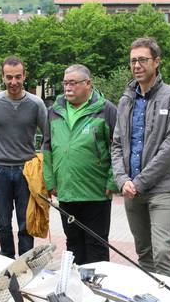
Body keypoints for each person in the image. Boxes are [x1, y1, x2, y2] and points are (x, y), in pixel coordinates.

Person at [111, 37, 170, 277]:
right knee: (144, 253)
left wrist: (140, 182)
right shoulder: (126, 100)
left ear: (157, 62)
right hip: (131, 190)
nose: (137, 66)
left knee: (162, 252)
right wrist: (123, 180)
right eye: (133, 61)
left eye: (143, 60)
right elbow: (117, 144)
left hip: (160, 189)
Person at [43, 64, 118, 265]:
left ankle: (97, 290)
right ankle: (77, 290)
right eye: (65, 83)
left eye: (73, 83)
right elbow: (47, 147)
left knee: (97, 245)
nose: (68, 88)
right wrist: (50, 180)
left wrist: (112, 182)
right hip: (66, 190)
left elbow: (118, 148)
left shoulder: (106, 109)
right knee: (73, 244)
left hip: (96, 192)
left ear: (88, 84)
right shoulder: (54, 111)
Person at [0, 56, 48, 258]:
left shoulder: (36, 104)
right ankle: (6, 259)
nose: (13, 82)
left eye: (18, 77)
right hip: (0, 169)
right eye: (9, 77)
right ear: (2, 76)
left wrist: (42, 164)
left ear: (24, 76)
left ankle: (26, 263)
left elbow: (48, 136)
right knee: (2, 221)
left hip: (26, 171)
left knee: (25, 221)